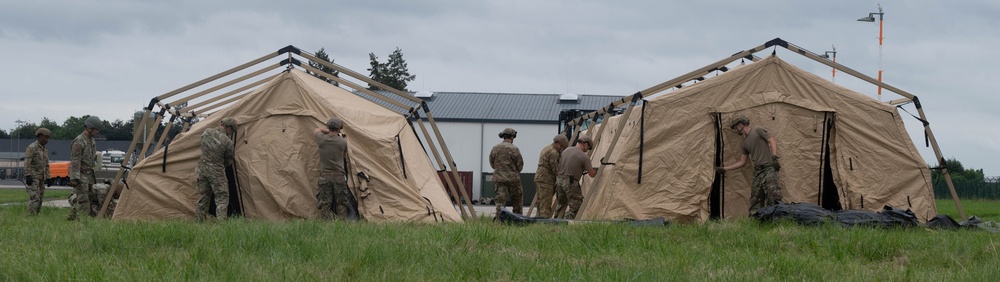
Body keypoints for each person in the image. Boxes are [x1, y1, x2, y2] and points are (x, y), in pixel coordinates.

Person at [717, 115, 782, 214]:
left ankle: (775, 220)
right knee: (755, 198)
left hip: (769, 168)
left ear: (740, 125)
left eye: (735, 127)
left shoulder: (757, 130)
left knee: (773, 196)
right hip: (758, 172)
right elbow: (742, 162)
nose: (735, 130)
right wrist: (724, 169)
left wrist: (774, 157)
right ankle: (756, 221)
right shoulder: (745, 143)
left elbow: (771, 140)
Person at [195, 117, 236, 221]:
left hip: (202, 170)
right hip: (217, 172)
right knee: (222, 198)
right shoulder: (228, 142)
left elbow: (202, 148)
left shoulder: (206, 132)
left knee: (203, 197)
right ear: (229, 128)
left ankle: (199, 222)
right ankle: (221, 225)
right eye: (232, 131)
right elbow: (228, 160)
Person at [314, 117, 351, 220]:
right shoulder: (343, 142)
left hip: (325, 176)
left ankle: (326, 226)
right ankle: (342, 226)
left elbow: (317, 130)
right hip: (339, 176)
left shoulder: (321, 139)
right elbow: (344, 156)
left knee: (325, 203)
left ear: (328, 127)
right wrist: (338, 133)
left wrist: (327, 131)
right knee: (341, 203)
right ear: (339, 129)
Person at [554, 135, 598, 219]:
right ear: (585, 144)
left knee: (561, 204)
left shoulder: (566, 150)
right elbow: (591, 174)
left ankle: (556, 222)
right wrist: (596, 170)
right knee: (576, 205)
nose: (587, 150)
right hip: (570, 182)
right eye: (588, 148)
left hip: (559, 180)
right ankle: (567, 221)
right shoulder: (584, 157)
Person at [67, 116, 101, 220]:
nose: (97, 132)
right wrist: (74, 178)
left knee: (90, 198)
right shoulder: (79, 141)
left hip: (89, 175)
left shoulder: (92, 141)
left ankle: (71, 216)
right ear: (90, 128)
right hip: (81, 176)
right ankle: (83, 221)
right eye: (96, 130)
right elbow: (75, 160)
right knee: (83, 200)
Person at [489, 128, 524, 215]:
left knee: (500, 202)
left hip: (500, 179)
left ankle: (500, 220)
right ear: (512, 137)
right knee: (517, 201)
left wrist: (499, 170)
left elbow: (491, 162)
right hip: (513, 180)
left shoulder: (495, 148)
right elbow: (520, 165)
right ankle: (518, 220)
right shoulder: (514, 149)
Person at [534, 134, 568, 218]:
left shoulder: (547, 148)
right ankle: (544, 224)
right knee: (545, 204)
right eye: (563, 147)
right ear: (558, 144)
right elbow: (556, 169)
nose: (562, 149)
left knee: (540, 203)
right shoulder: (553, 152)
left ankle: (537, 221)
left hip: (541, 178)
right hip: (546, 180)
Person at [24, 128, 51, 215]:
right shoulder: (32, 148)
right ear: (40, 136)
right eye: (46, 137)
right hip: (33, 177)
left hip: (41, 178)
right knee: (35, 198)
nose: (47, 140)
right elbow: (27, 162)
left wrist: (48, 177)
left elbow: (46, 165)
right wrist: (28, 175)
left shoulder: (44, 150)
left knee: (40, 198)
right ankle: (31, 216)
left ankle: (36, 215)